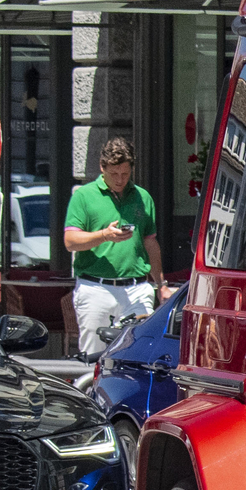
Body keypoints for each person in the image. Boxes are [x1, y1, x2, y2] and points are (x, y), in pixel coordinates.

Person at [63, 140, 168, 359]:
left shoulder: (143, 197)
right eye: (114, 174)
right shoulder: (84, 196)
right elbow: (70, 241)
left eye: (125, 174)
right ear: (102, 168)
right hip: (95, 287)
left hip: (137, 287)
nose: (120, 180)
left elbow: (150, 243)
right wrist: (103, 235)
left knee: (140, 354)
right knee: (92, 357)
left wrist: (161, 285)